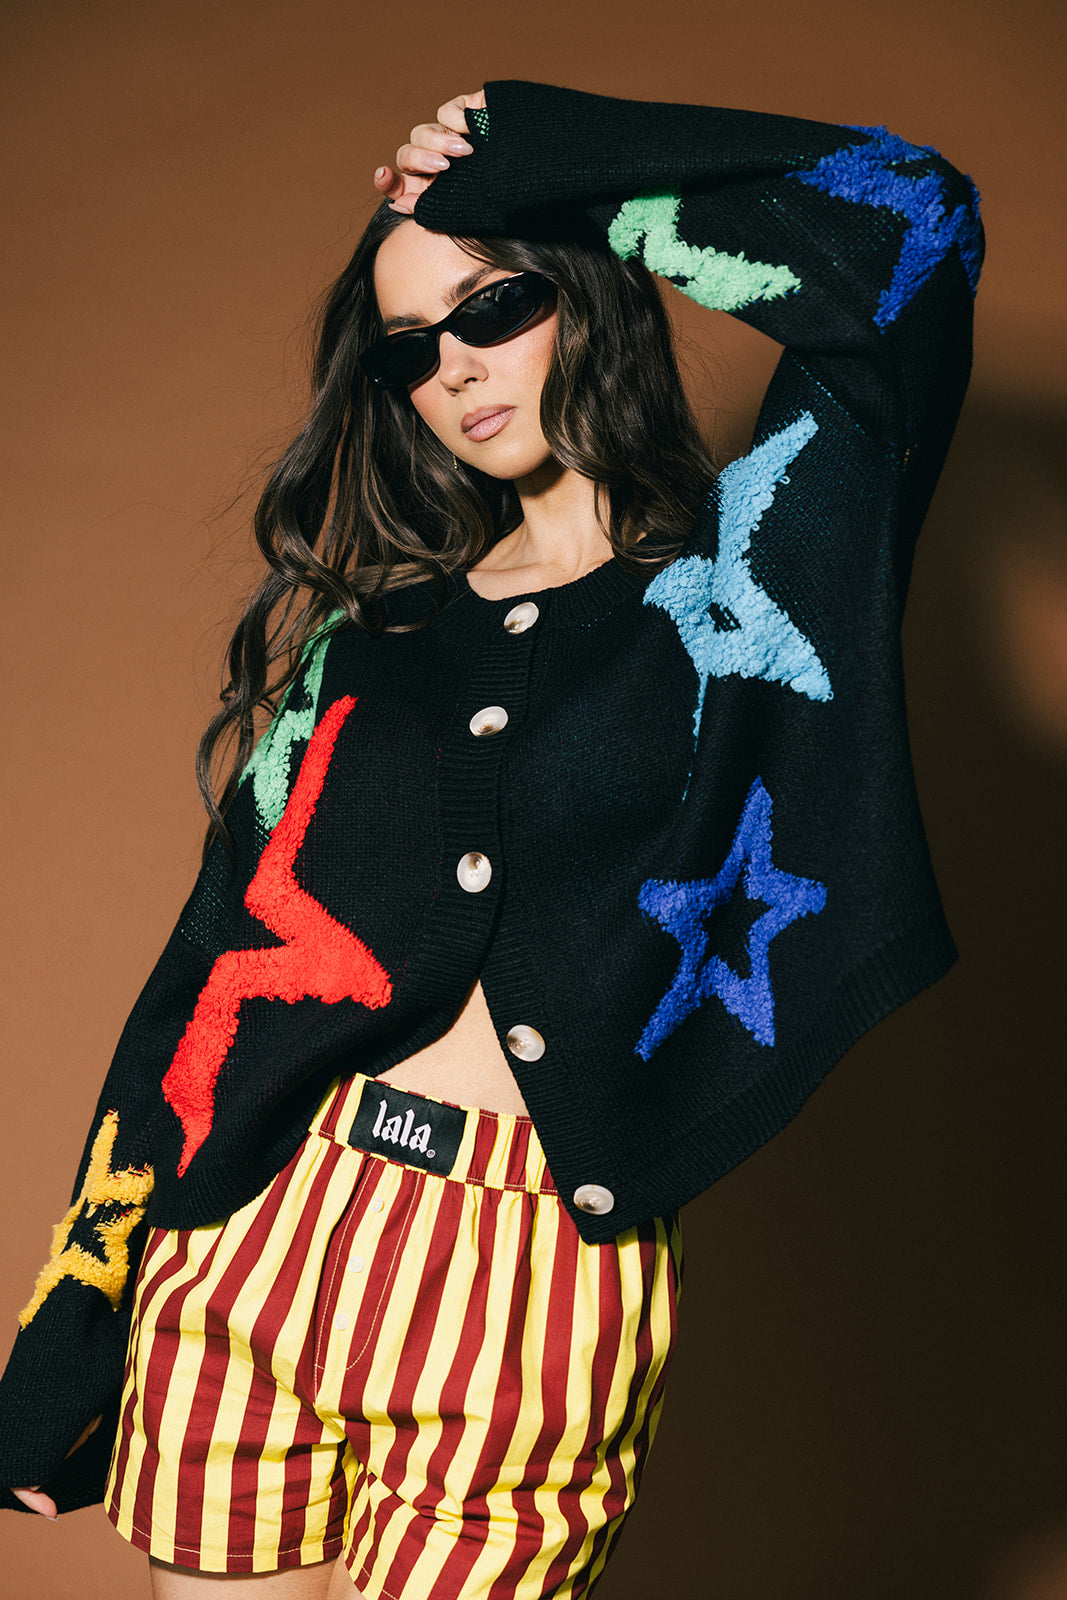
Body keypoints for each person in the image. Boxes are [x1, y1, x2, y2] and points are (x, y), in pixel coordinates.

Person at [0, 79, 982, 1598]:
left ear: (591, 285)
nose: (450, 367)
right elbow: (209, 974)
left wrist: (551, 157)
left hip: (533, 1278)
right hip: (263, 1233)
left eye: (494, 305)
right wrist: (74, 1314)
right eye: (409, 345)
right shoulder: (369, 647)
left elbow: (918, 226)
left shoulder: (749, 580)